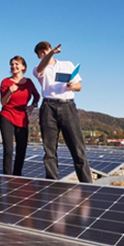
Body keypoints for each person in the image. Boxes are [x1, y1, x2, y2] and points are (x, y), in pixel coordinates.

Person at [33, 41, 92, 182]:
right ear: (39, 56)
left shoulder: (67, 65)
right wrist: (51, 54)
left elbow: (79, 86)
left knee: (77, 146)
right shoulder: (38, 69)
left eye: (46, 50)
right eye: (41, 53)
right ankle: (52, 182)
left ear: (49, 49)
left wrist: (73, 85)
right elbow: (41, 68)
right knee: (49, 149)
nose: (44, 54)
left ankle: (87, 183)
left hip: (67, 106)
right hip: (48, 107)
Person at [0, 56, 40, 176]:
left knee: (21, 149)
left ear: (23, 67)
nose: (14, 66)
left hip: (22, 117)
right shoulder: (5, 82)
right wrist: (9, 92)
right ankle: (6, 176)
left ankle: (17, 175)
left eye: (17, 64)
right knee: (8, 149)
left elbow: (37, 96)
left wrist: (33, 105)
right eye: (12, 64)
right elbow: (3, 102)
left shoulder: (29, 82)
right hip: (7, 115)